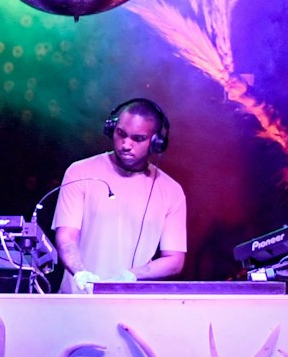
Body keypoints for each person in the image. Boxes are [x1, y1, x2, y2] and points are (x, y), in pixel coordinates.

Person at [53, 97, 187, 292]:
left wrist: (130, 275)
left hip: (131, 304)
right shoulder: (79, 172)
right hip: (76, 299)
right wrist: (81, 273)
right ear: (111, 129)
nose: (126, 144)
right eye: (121, 134)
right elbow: (66, 237)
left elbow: (174, 260)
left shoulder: (171, 190)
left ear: (155, 142)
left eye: (138, 139)